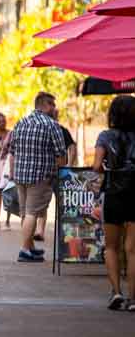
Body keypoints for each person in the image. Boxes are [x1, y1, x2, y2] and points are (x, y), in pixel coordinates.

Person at [9, 92, 66, 262]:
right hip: (40, 176)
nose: (54, 109)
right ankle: (24, 249)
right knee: (33, 213)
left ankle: (31, 248)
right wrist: (59, 172)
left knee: (26, 213)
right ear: (46, 105)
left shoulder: (20, 122)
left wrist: (12, 173)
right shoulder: (51, 125)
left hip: (20, 175)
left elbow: (12, 150)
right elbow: (61, 154)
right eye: (53, 105)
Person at [92, 95, 135, 311]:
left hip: (114, 193)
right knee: (133, 249)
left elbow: (97, 166)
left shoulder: (105, 136)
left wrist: (109, 167)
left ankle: (116, 293)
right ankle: (133, 299)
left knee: (111, 246)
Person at [34, 108, 77, 241]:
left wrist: (69, 164)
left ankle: (43, 230)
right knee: (57, 203)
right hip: (55, 172)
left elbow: (72, 147)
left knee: (46, 203)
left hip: (50, 172)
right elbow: (72, 147)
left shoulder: (50, 129)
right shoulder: (58, 129)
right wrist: (69, 165)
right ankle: (44, 231)